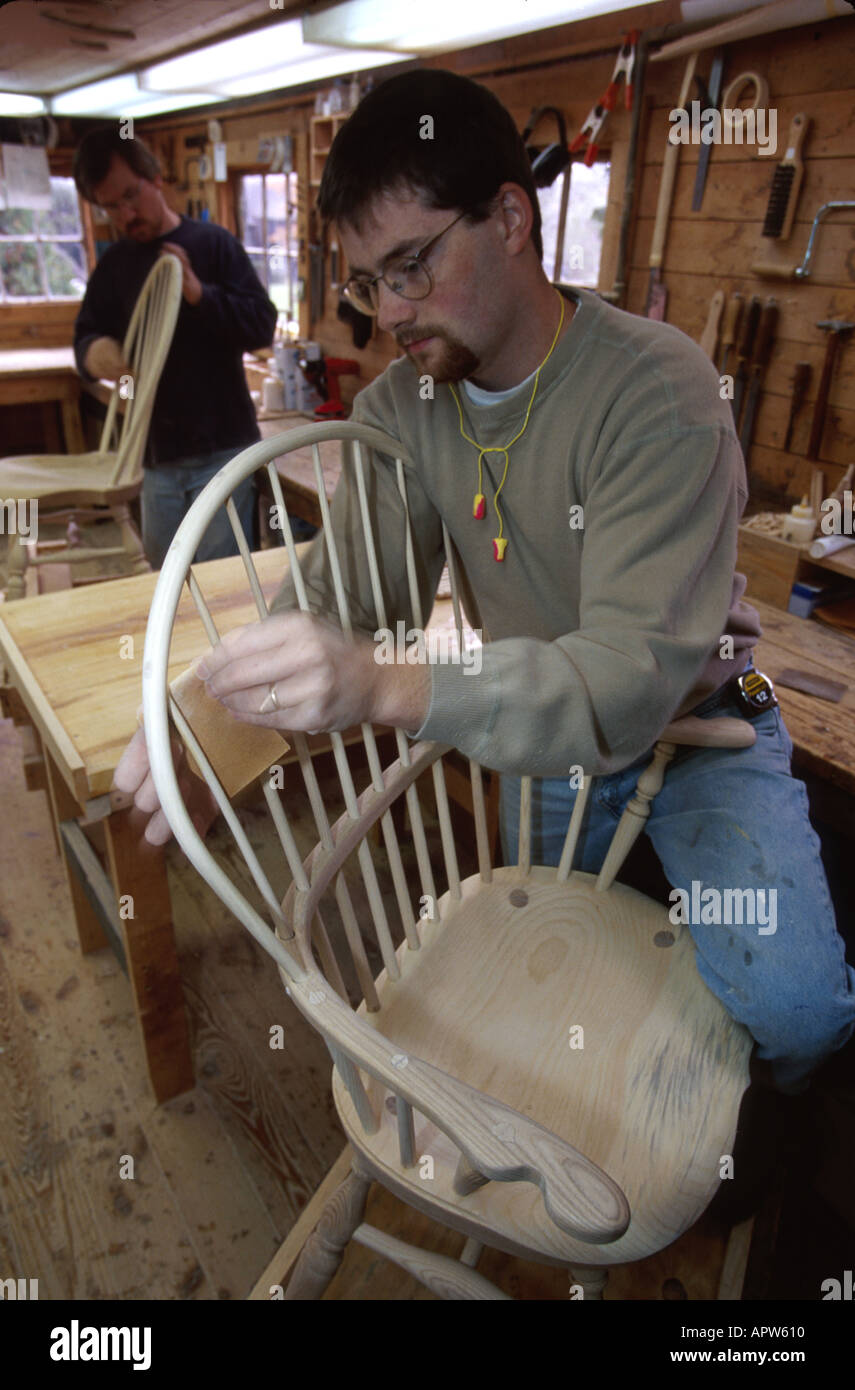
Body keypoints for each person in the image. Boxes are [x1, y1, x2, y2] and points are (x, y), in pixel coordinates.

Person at [115, 69, 854, 1102]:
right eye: (369, 283)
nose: (390, 315)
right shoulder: (406, 407)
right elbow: (343, 598)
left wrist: (391, 688)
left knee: (799, 1009)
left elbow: (627, 681)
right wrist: (196, 704)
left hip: (700, 723)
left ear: (511, 217)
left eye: (411, 266)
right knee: (544, 983)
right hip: (548, 749)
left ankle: (749, 1152)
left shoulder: (660, 388)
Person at [72, 128, 277, 566]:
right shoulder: (112, 268)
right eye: (111, 206)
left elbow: (263, 327)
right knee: (168, 588)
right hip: (155, 461)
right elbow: (83, 342)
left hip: (223, 453)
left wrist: (201, 293)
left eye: (131, 195)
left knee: (225, 585)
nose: (126, 214)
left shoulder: (214, 245)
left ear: (156, 177)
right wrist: (100, 353)